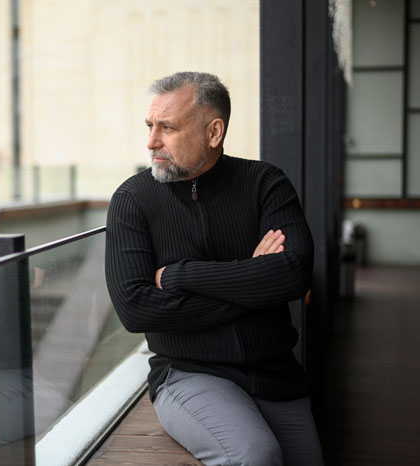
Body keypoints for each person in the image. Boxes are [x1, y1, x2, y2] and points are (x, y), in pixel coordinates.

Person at [105, 71, 325, 466]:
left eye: (167, 127)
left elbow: (292, 273)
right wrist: (252, 281)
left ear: (214, 132)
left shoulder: (266, 183)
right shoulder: (132, 199)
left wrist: (178, 275)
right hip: (188, 374)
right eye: (150, 126)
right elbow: (135, 308)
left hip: (275, 373)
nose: (151, 141)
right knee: (254, 456)